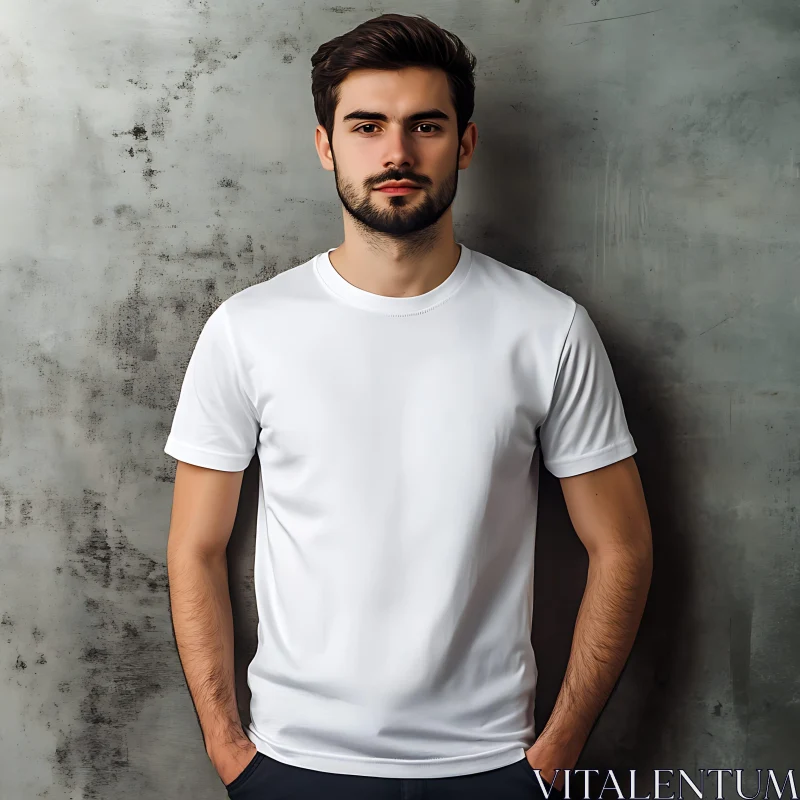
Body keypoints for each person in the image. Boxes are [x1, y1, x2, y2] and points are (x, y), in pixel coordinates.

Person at [163, 12, 653, 800]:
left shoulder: (547, 327)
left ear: (464, 143)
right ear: (326, 145)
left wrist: (555, 754)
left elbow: (623, 547)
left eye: (425, 124)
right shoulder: (247, 329)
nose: (396, 152)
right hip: (292, 765)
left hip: (493, 767)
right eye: (366, 127)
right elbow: (193, 548)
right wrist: (230, 748)